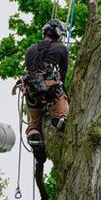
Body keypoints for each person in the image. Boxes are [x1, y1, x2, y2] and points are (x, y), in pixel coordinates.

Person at [24, 18, 69, 146]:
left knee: (33, 123)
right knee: (65, 114)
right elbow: (63, 72)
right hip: (52, 92)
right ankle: (61, 119)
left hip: (31, 93)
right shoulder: (61, 49)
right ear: (58, 33)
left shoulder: (30, 50)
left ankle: (33, 133)